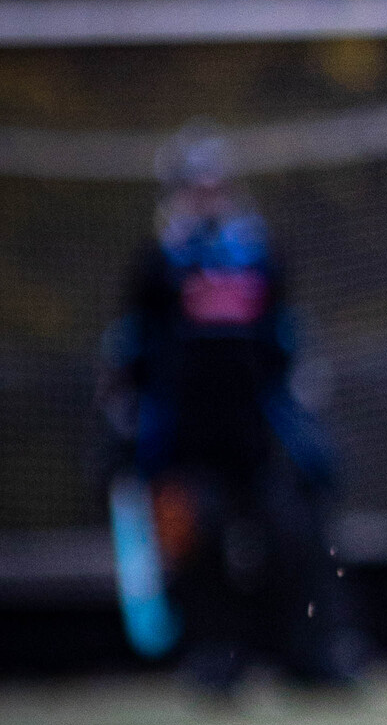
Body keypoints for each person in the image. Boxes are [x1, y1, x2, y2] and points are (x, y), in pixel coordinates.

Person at [101, 132, 365, 694]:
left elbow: (284, 338)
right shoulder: (158, 265)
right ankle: (216, 658)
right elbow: (132, 349)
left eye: (216, 186)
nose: (208, 197)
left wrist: (303, 406)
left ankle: (312, 653)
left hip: (258, 440)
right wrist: (122, 423)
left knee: (293, 534)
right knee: (200, 543)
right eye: (196, 187)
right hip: (183, 445)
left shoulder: (260, 255)